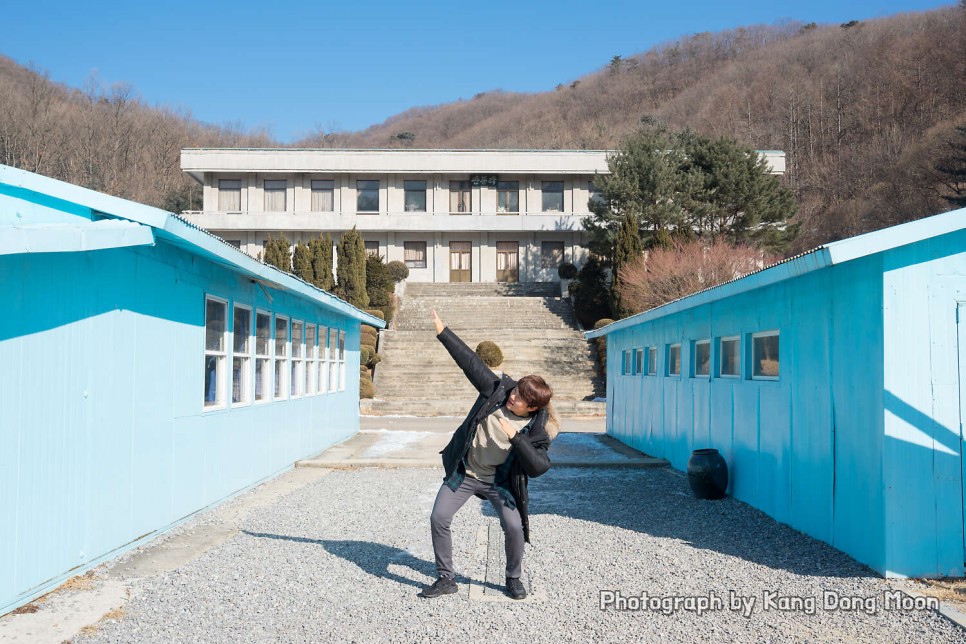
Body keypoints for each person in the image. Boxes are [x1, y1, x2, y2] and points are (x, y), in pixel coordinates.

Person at [420, 309, 558, 600]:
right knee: (438, 517)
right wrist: (443, 331)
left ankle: (513, 578)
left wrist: (516, 438)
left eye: (521, 397)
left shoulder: (537, 431)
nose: (514, 396)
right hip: (466, 474)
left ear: (532, 408)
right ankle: (446, 578)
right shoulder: (496, 392)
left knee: (514, 527)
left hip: (499, 484)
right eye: (516, 390)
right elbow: (471, 363)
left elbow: (538, 467)